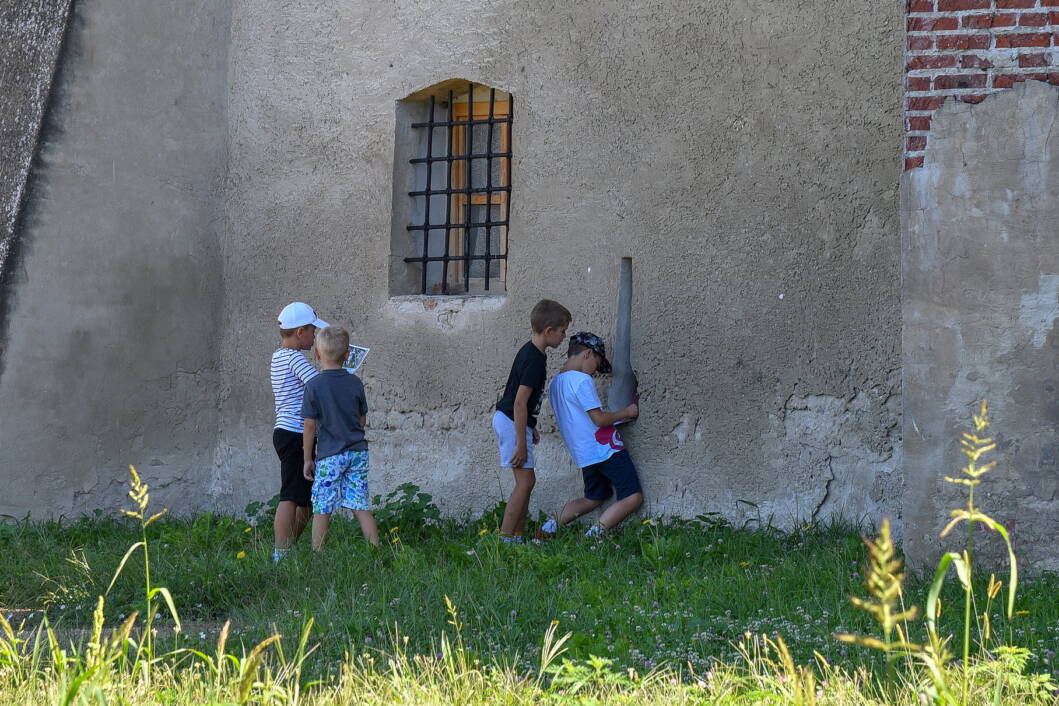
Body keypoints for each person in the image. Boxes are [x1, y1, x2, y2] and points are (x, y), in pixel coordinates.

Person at [544, 332, 642, 538]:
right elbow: (598, 419)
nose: (596, 371)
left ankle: (548, 528)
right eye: (597, 363)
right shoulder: (581, 380)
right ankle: (595, 533)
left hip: (584, 453)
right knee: (632, 496)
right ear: (588, 353)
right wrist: (627, 412)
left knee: (594, 497)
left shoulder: (555, 384)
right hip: (605, 449)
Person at [493, 299, 572, 541]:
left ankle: (517, 535)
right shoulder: (535, 360)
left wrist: (531, 426)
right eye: (562, 331)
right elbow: (519, 402)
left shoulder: (533, 352)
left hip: (514, 421)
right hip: (510, 420)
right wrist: (521, 443)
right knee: (525, 482)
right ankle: (505, 538)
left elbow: (524, 405)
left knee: (527, 481)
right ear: (549, 331)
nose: (563, 336)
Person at [301, 325, 379, 549]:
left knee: (322, 507)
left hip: (329, 455)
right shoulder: (355, 383)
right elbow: (362, 420)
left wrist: (308, 458)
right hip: (357, 452)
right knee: (360, 504)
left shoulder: (313, 386)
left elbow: (309, 425)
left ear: (317, 354)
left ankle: (319, 555)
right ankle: (376, 550)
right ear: (347, 355)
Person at [270, 301, 328, 563]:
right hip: (294, 434)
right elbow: (319, 385)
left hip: (291, 432)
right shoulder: (293, 358)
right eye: (312, 332)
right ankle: (280, 553)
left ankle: (289, 547)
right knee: (291, 496)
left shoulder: (279, 356)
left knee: (305, 498)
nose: (315, 337)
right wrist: (340, 371)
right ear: (300, 332)